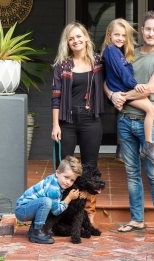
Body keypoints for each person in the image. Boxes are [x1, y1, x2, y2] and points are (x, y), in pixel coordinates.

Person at [108, 11, 154, 238]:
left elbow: (149, 89)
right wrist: (111, 96)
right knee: (132, 174)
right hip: (125, 121)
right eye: (147, 29)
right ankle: (137, 220)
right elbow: (109, 80)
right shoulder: (129, 53)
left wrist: (122, 96)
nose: (151, 33)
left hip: (150, 123)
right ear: (142, 31)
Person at [51, 22, 104, 227]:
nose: (76, 40)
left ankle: (88, 213)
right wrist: (56, 125)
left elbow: (121, 59)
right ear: (67, 42)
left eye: (79, 36)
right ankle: (62, 211)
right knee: (65, 167)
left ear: (86, 38)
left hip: (92, 120)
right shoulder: (62, 66)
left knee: (90, 169)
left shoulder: (99, 62)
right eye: (71, 38)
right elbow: (56, 98)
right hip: (68, 121)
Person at [101, 18, 154, 163]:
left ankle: (144, 146)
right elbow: (122, 72)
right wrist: (134, 85)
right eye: (117, 35)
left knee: (150, 110)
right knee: (151, 110)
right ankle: (148, 146)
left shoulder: (118, 50)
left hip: (123, 88)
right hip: (123, 89)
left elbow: (134, 53)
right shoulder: (110, 50)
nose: (120, 38)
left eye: (123, 36)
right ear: (109, 34)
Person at [15, 155, 85, 244]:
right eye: (66, 177)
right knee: (46, 202)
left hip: (25, 208)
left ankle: (33, 230)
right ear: (57, 172)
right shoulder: (54, 189)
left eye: (72, 180)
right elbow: (56, 211)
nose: (68, 182)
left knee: (48, 203)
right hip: (22, 210)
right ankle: (37, 233)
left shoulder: (55, 179)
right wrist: (69, 198)